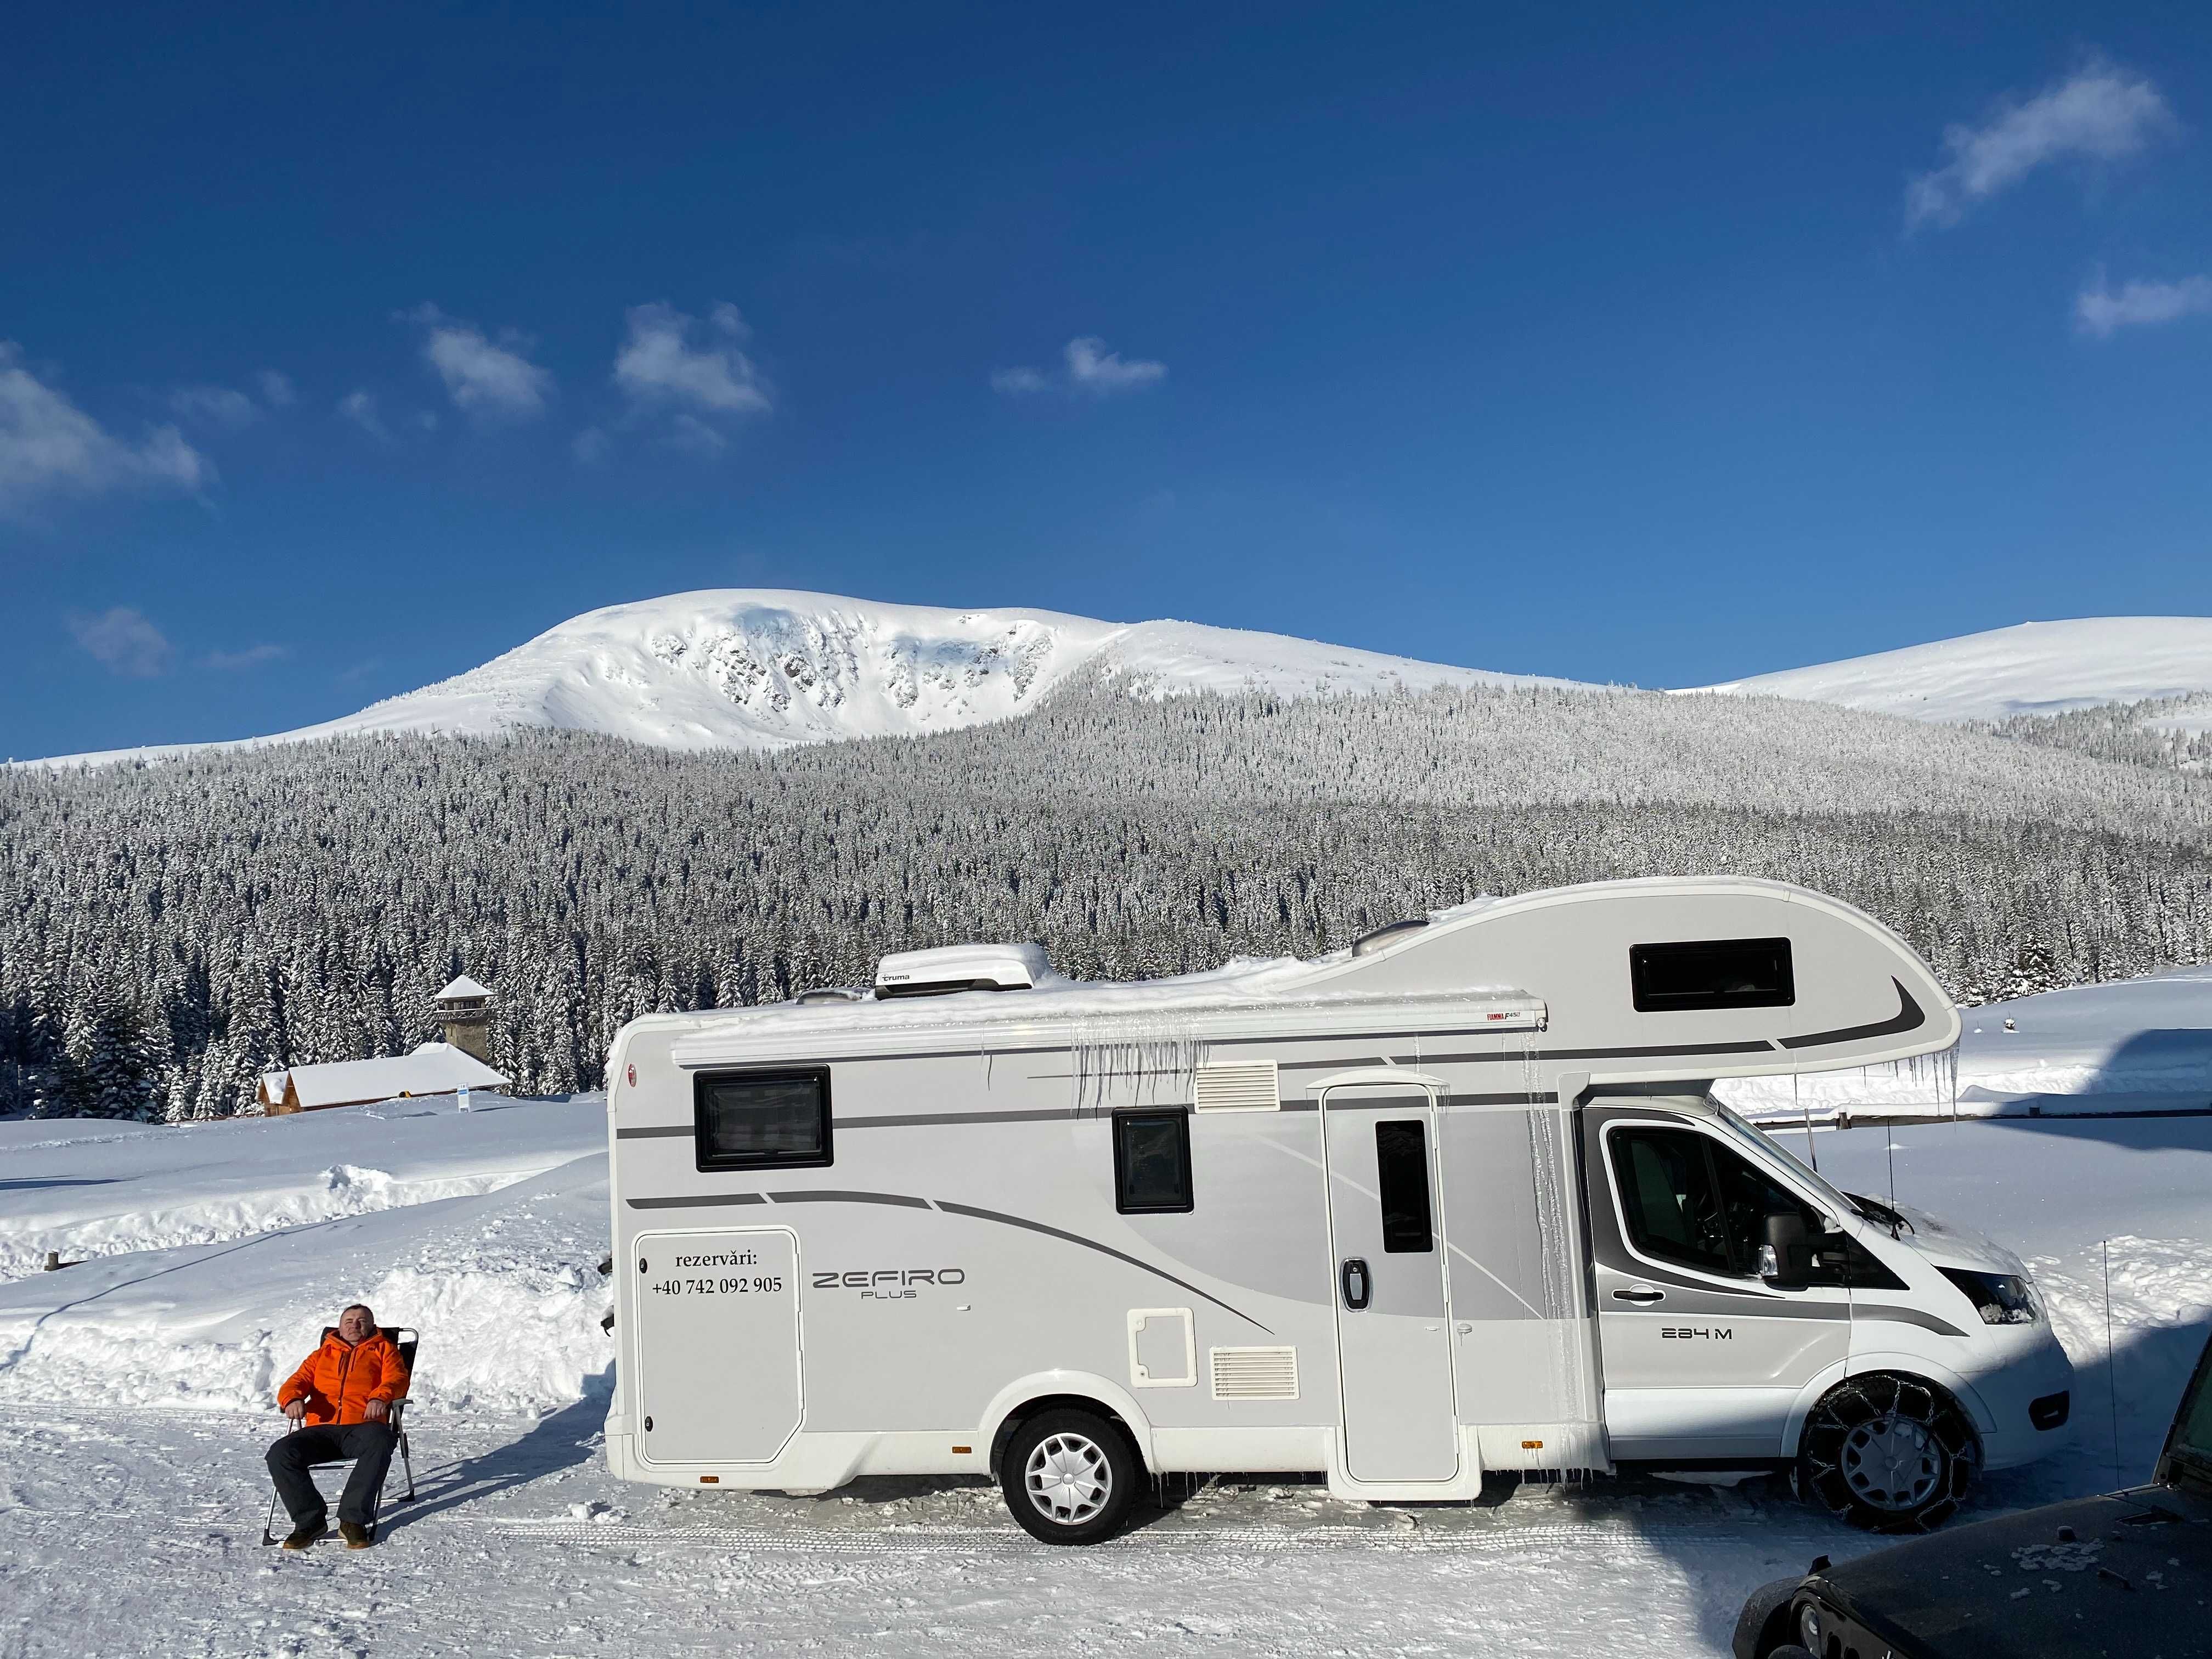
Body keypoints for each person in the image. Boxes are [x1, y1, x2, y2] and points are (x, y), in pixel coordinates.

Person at [266, 1303, 410, 1549]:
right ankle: (310, 1521)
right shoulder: (321, 1355)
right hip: (320, 1429)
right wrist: (292, 1399)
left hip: (364, 1426)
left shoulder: (384, 1350)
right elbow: (295, 1382)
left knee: (381, 1441)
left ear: (372, 1326)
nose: (355, 1325)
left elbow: (398, 1380)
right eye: (349, 1321)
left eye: (362, 1321)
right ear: (340, 1327)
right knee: (280, 1454)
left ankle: (352, 1520)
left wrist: (380, 1397)